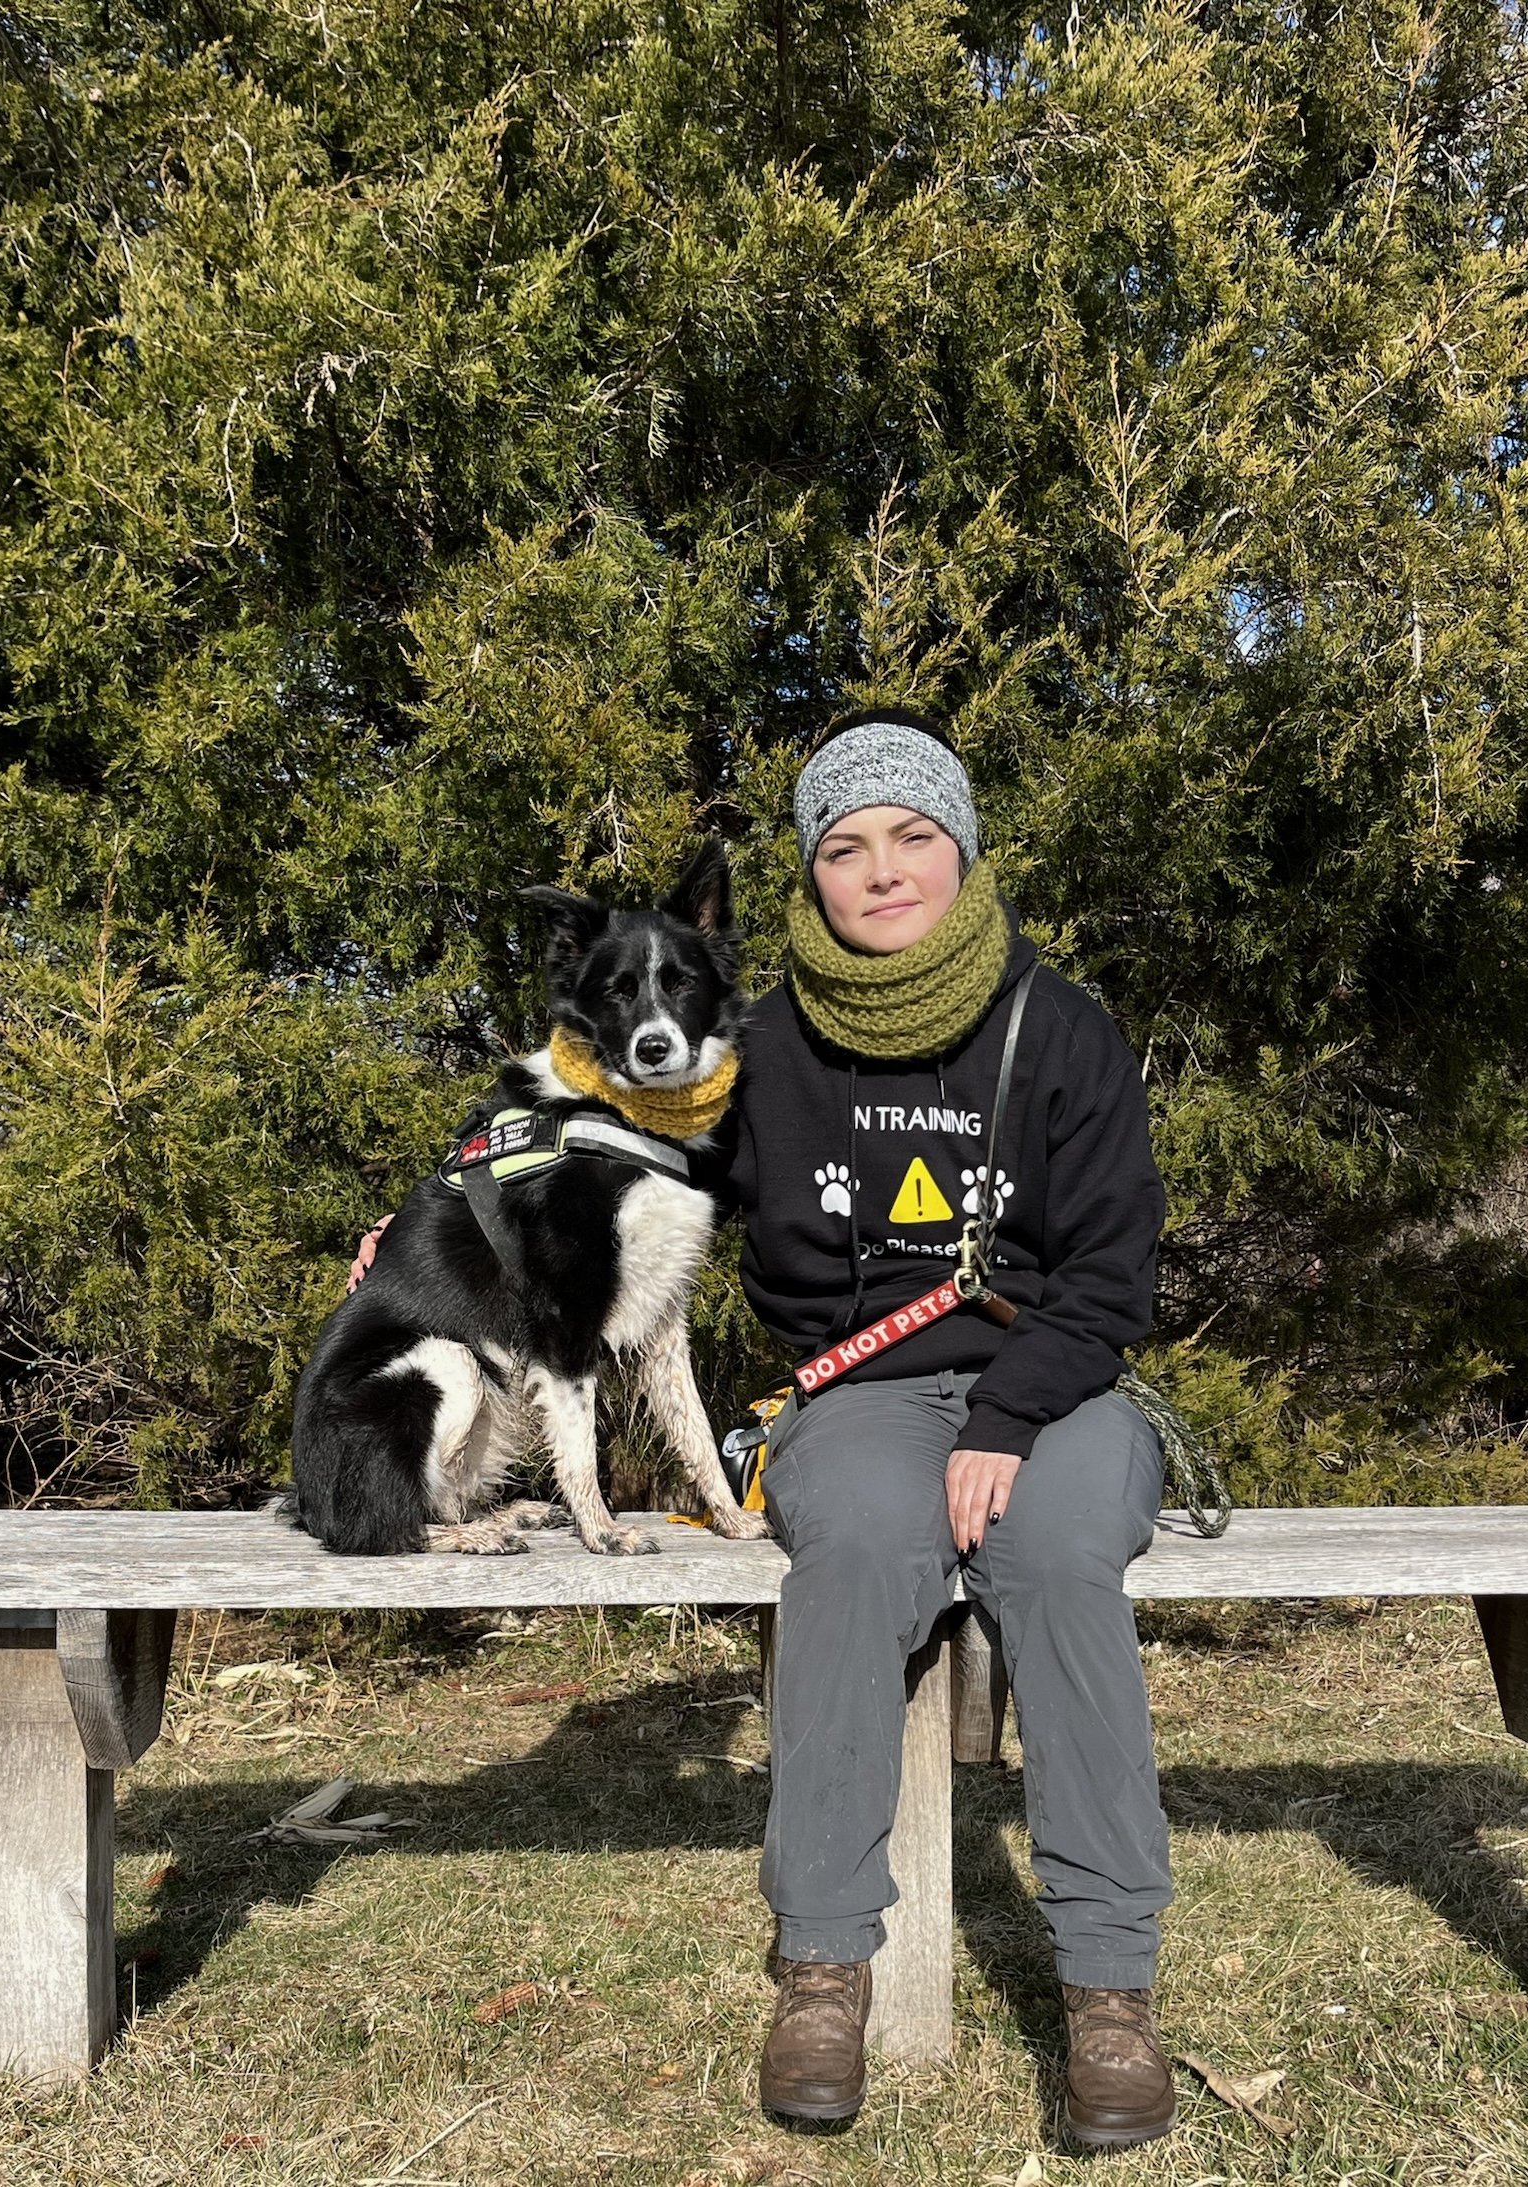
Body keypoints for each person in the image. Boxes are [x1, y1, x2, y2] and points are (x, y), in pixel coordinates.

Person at [346, 705, 1177, 2148]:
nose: (882, 869)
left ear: (962, 852)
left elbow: (1112, 1274)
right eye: (845, 846)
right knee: (851, 1545)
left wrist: (1012, 1415)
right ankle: (823, 1965)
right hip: (858, 1400)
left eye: (913, 836)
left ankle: (1110, 1993)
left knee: (1051, 1554)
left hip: (1058, 1388)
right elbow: (607, 1167)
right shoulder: (761, 1052)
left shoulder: (1064, 1031)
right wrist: (447, 1223)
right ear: (811, 878)